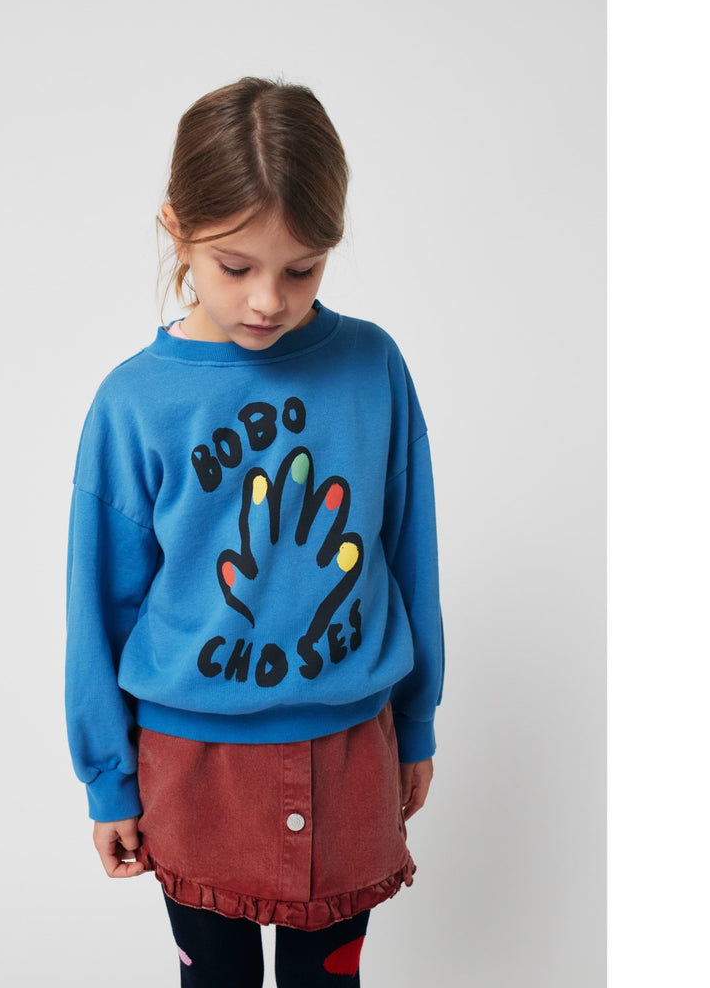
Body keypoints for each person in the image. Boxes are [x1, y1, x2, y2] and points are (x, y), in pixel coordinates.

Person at [65, 77, 445, 987]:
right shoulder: (134, 402)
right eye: (235, 267)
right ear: (177, 230)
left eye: (302, 268)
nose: (269, 299)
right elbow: (100, 601)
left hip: (351, 752)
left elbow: (409, 552)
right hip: (194, 765)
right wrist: (108, 777)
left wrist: (416, 720)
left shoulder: (372, 366)